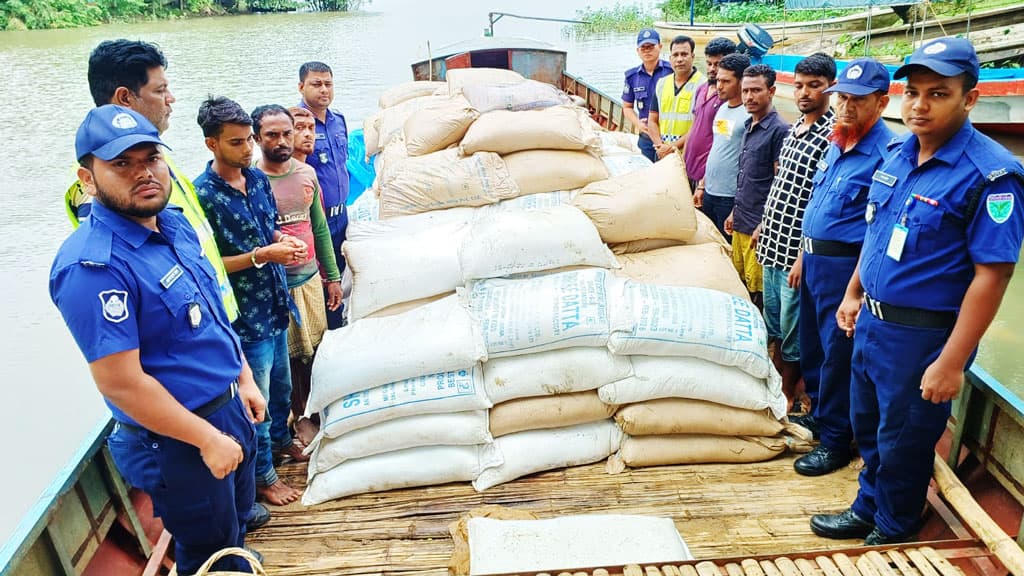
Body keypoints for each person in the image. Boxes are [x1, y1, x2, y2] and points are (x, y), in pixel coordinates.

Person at [812, 38, 1024, 545]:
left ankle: (895, 523)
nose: (920, 105)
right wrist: (853, 292)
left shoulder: (991, 175)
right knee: (870, 427)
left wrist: (951, 362)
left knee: (904, 439)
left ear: (969, 99)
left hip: (923, 336)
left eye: (938, 94)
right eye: (913, 92)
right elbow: (876, 233)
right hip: (872, 323)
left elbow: (992, 276)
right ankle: (868, 505)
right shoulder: (897, 153)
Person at [50, 105, 264, 575]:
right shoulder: (93, 267)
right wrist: (207, 438)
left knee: (236, 531)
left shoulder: (173, 224)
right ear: (88, 179)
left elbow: (211, 312)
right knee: (209, 555)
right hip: (180, 442)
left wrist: (244, 378)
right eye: (121, 164)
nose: (143, 172)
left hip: (229, 410)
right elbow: (120, 383)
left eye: (151, 158)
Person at [63, 40, 239, 322]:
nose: (171, 99)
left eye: (150, 159)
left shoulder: (163, 162)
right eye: (160, 90)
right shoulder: (95, 187)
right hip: (182, 343)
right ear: (125, 98)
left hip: (215, 322)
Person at [194, 96, 307, 506]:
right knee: (254, 401)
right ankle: (264, 477)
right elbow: (209, 264)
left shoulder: (257, 179)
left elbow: (267, 228)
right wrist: (262, 256)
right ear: (212, 144)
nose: (248, 150)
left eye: (248, 142)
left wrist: (281, 241)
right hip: (245, 316)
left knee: (282, 387)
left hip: (276, 303)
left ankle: (283, 442)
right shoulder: (202, 197)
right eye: (237, 143)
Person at [793, 58, 895, 477]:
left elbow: (878, 230)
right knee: (813, 346)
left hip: (843, 267)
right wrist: (802, 253)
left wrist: (856, 289)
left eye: (858, 100)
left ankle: (836, 440)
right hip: (814, 260)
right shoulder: (838, 141)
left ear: (882, 103)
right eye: (842, 99)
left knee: (839, 355)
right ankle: (819, 415)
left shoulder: (885, 154)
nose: (846, 107)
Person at [253, 104, 342, 447]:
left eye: (286, 133)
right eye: (272, 135)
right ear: (257, 138)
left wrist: (331, 276)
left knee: (316, 349)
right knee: (287, 360)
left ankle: (317, 409)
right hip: (277, 286)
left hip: (310, 281)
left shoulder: (306, 174)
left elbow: (319, 228)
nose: (282, 141)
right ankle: (298, 416)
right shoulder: (254, 181)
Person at [754, 53, 837, 410]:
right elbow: (782, 182)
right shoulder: (795, 129)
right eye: (800, 85)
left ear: (830, 87)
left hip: (794, 252)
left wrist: (804, 255)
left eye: (814, 86)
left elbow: (821, 201)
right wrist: (762, 223)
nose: (805, 93)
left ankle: (789, 391)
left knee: (793, 330)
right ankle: (775, 379)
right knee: (773, 320)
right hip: (772, 239)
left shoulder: (832, 136)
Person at [724, 64, 789, 307]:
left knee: (758, 290)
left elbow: (779, 183)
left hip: (758, 227)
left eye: (755, 91)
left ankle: (766, 338)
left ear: (771, 91)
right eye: (745, 91)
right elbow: (747, 176)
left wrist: (765, 224)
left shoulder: (779, 131)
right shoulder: (748, 126)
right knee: (740, 279)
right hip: (741, 218)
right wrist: (734, 211)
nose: (749, 97)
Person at [298, 62, 349, 329]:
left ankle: (337, 326)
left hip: (342, 218)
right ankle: (323, 335)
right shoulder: (296, 124)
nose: (324, 90)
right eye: (316, 84)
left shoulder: (338, 121)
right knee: (320, 283)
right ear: (301, 87)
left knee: (338, 276)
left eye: (328, 83)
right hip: (315, 222)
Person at [695, 52, 751, 238]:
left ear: (742, 81)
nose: (719, 86)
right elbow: (717, 149)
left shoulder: (749, 115)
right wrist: (702, 185)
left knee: (727, 249)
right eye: (718, 80)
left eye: (726, 81)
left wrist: (738, 206)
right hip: (710, 191)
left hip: (730, 198)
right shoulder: (722, 109)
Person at [684, 37, 737, 194]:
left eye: (718, 64)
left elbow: (723, 143)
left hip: (708, 177)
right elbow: (694, 128)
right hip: (689, 168)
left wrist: (703, 182)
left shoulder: (728, 100)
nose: (712, 69)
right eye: (709, 63)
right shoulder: (701, 90)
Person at [647, 35, 703, 160]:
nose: (679, 59)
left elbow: (698, 127)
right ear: (670, 58)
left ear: (692, 57)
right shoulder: (662, 84)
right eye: (675, 55)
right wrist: (660, 146)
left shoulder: (702, 85)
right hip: (662, 152)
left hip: (687, 154)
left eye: (684, 54)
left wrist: (672, 147)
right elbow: (652, 119)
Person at [621, 28, 673, 163]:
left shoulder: (672, 71)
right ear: (637, 50)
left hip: (670, 135)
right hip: (647, 137)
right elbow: (627, 107)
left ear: (660, 47)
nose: (647, 50)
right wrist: (639, 124)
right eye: (643, 47)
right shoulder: (632, 77)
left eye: (651, 46)